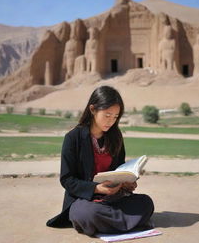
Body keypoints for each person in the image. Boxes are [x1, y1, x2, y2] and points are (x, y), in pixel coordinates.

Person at [46, 85, 154, 236]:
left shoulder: (115, 137)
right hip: (85, 200)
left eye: (115, 117)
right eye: (107, 115)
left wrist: (125, 183)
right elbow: (67, 179)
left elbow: (119, 171)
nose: (111, 121)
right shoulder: (73, 138)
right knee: (82, 213)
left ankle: (101, 224)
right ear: (92, 109)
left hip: (113, 198)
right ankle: (126, 222)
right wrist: (97, 189)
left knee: (146, 203)